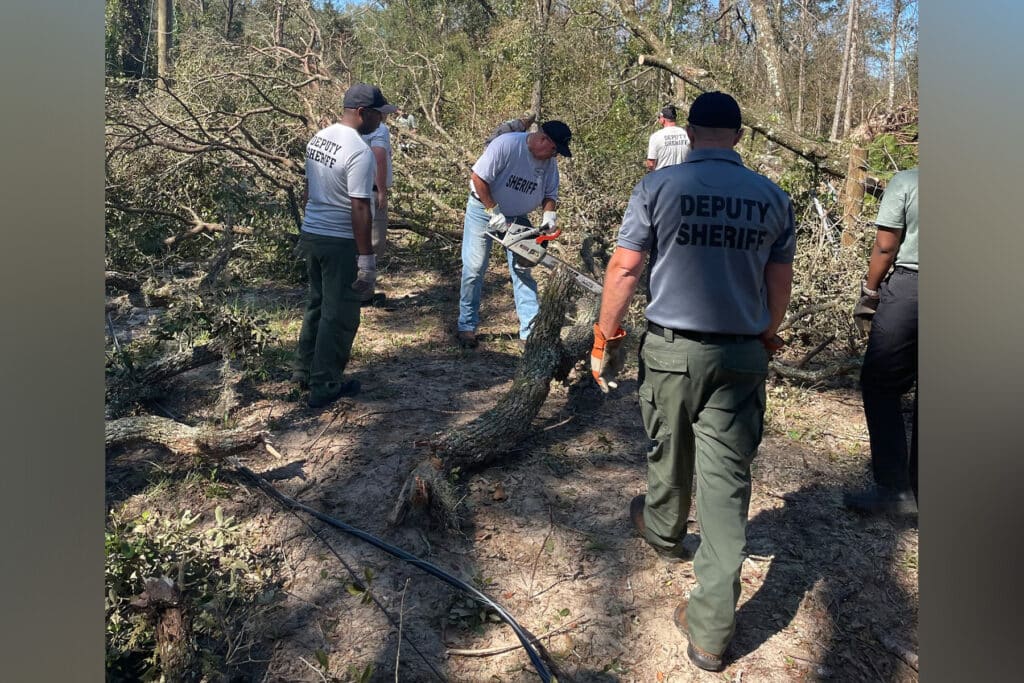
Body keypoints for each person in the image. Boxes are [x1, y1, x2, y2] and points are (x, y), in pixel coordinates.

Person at [590, 92, 795, 672]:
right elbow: (778, 283)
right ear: (736, 135)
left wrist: (605, 336)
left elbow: (627, 266)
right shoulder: (773, 198)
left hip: (673, 351)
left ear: (692, 131)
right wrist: (767, 333)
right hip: (741, 356)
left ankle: (662, 530)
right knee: (727, 489)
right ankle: (710, 633)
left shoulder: (658, 188)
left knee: (668, 447)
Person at [292, 83, 397, 409]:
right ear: (362, 113)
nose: (382, 120)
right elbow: (360, 208)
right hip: (339, 241)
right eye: (379, 114)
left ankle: (304, 372)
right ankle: (324, 385)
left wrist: (308, 228)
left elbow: (308, 191)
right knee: (339, 315)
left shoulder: (319, 138)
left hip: (313, 233)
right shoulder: (359, 151)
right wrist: (365, 258)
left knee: (318, 304)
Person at [456, 120, 572, 348]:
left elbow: (550, 193)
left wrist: (549, 216)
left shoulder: (549, 164)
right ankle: (467, 326)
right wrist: (493, 211)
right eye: (554, 150)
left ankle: (529, 331)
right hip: (484, 210)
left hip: (518, 217)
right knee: (475, 267)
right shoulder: (507, 145)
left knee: (523, 269)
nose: (554, 156)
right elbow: (478, 178)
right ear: (542, 139)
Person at [844, 167, 919, 514]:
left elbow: (886, 247)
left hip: (911, 289)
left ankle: (895, 491)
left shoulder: (909, 181)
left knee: (880, 382)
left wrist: (870, 292)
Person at [361, 112, 394, 304]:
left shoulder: (353, 131)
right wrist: (381, 189)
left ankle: (359, 289)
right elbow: (379, 156)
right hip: (372, 191)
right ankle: (364, 293)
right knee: (374, 243)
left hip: (354, 190)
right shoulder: (380, 129)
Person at [645, 104, 690, 171]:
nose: (658, 119)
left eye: (659, 117)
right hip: (684, 177)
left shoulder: (656, 136)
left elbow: (651, 164)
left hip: (663, 179)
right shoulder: (687, 134)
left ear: (663, 119)